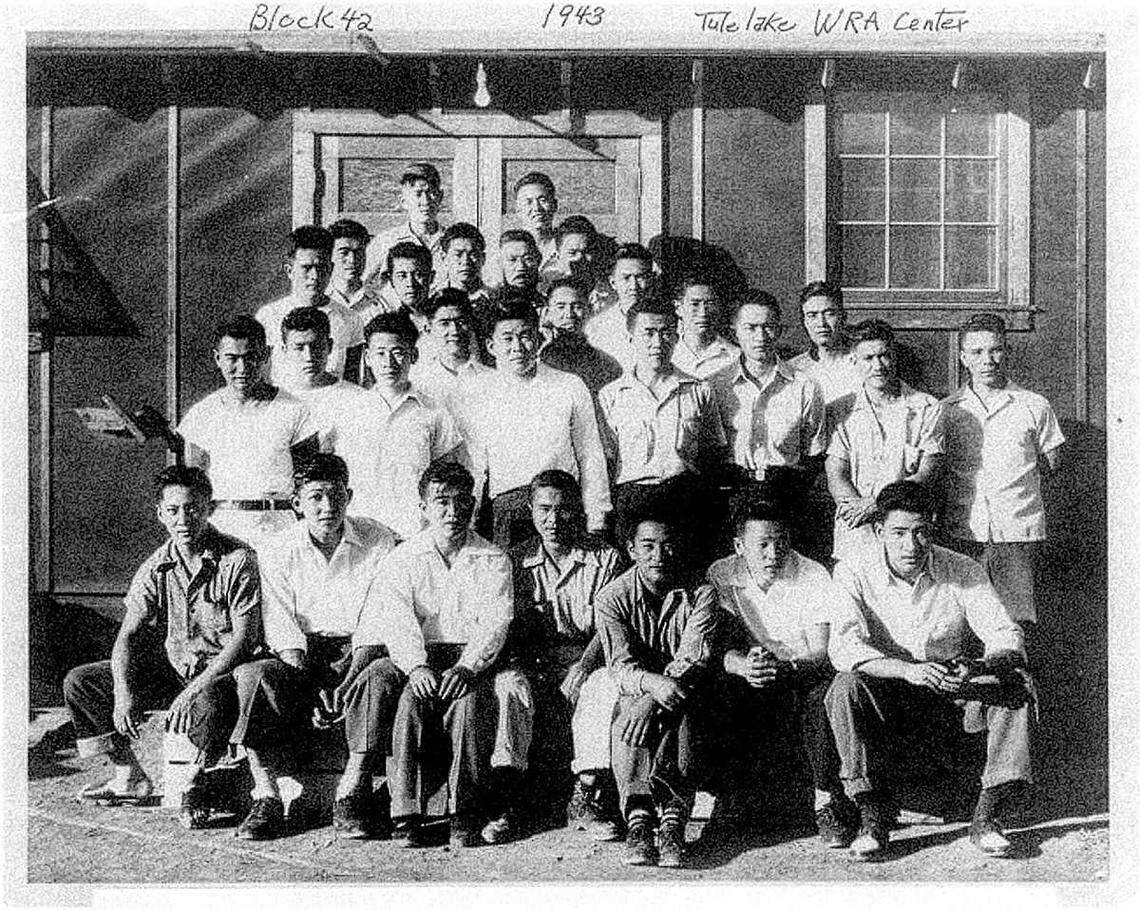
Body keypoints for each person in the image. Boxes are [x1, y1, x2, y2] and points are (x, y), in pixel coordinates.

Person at [825, 481, 1035, 860]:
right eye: (899, 533)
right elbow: (845, 647)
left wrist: (977, 666)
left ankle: (988, 816)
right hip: (890, 688)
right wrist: (906, 670)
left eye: (921, 532)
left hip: (951, 690)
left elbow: (1004, 632)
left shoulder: (962, 568)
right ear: (879, 531)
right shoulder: (854, 571)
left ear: (932, 528)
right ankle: (872, 818)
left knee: (1015, 683)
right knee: (844, 686)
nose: (912, 545)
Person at [62, 467, 261, 830]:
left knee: (210, 704)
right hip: (176, 667)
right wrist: (122, 693)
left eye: (193, 508)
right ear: (160, 513)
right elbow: (127, 637)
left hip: (223, 673)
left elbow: (244, 639)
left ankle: (198, 781)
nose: (183, 520)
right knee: (82, 682)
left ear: (210, 508)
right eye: (173, 510)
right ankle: (129, 776)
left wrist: (195, 687)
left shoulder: (238, 559)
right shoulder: (157, 565)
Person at [354, 462, 531, 847]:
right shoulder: (403, 558)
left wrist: (468, 667)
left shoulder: (492, 557)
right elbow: (397, 617)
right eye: (441, 502)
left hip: (471, 661)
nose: (453, 513)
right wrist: (416, 666)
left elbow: (496, 621)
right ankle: (405, 813)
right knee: (409, 705)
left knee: (468, 707)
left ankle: (463, 813)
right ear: (423, 508)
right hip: (421, 658)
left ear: (473, 505)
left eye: (462, 503)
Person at [230, 454, 402, 840]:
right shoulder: (276, 549)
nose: (327, 507)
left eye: (336, 495)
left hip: (361, 651)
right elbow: (281, 625)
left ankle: (351, 793)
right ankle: (267, 795)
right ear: (297, 504)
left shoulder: (379, 540)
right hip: (299, 656)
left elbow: (377, 619)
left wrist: (350, 679)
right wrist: (308, 685)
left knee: (381, 676)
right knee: (252, 676)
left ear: (349, 495)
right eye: (316, 497)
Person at [705, 491, 855, 848]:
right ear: (740, 545)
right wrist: (742, 666)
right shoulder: (721, 573)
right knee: (717, 688)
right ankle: (729, 799)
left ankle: (825, 801)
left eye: (780, 541)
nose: (774, 553)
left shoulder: (813, 574)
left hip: (803, 670)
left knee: (825, 695)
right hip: (752, 668)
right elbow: (717, 645)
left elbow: (821, 651)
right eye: (763, 544)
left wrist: (785, 667)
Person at [595, 514, 719, 869]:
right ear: (632, 550)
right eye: (648, 547)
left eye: (667, 545)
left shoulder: (701, 592)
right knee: (628, 707)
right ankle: (639, 818)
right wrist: (650, 688)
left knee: (681, 703)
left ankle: (674, 818)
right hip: (639, 688)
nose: (658, 556)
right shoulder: (610, 597)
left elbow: (692, 656)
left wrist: (655, 695)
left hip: (688, 685)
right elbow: (619, 665)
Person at [507, 470, 625, 840]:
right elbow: (512, 629)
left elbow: (610, 625)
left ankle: (587, 791)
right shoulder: (515, 559)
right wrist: (535, 667)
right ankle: (507, 795)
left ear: (579, 510)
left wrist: (583, 666)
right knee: (510, 686)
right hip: (536, 660)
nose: (554, 520)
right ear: (530, 510)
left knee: (603, 683)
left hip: (593, 655)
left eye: (564, 510)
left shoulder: (604, 557)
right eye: (544, 509)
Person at [941, 314, 1065, 646]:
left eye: (995, 350)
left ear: (1006, 351)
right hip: (963, 533)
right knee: (962, 622)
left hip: (1016, 535)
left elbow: (1052, 465)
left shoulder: (1033, 405)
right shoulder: (947, 410)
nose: (987, 360)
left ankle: (1019, 693)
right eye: (977, 352)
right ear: (964, 357)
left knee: (1016, 623)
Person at [468, 298, 612, 549]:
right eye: (507, 338)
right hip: (510, 510)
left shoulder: (569, 385)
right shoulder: (480, 393)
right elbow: (476, 466)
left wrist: (596, 516)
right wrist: (470, 522)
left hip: (562, 508)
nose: (518, 347)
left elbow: (590, 454)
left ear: (538, 338)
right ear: (491, 346)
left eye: (525, 336)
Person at [176, 316, 320, 550]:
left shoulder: (296, 411)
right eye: (232, 358)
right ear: (218, 358)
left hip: (280, 530)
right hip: (222, 528)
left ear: (265, 356)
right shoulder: (202, 415)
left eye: (251, 357)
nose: (242, 369)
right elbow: (194, 489)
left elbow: (312, 483)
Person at [598, 300, 727, 550]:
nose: (658, 342)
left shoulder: (698, 390)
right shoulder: (610, 396)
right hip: (632, 500)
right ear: (631, 338)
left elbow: (713, 454)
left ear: (677, 336)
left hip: (684, 498)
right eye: (648, 333)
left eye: (666, 332)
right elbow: (607, 461)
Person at [707, 291, 827, 557]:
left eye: (768, 327)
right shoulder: (715, 386)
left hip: (786, 494)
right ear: (734, 331)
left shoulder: (805, 386)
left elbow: (814, 454)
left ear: (779, 330)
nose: (760, 337)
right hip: (733, 494)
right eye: (750, 328)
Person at [825, 319, 945, 565]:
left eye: (884, 356)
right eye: (868, 358)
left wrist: (877, 505)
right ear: (853, 361)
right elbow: (836, 472)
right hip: (856, 531)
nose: (878, 366)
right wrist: (855, 509)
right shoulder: (841, 410)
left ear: (894, 357)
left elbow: (927, 472)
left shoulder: (926, 407)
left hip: (906, 532)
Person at [339, 310, 465, 541]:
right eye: (380, 353)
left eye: (398, 353)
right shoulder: (350, 410)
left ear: (413, 355)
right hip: (360, 534)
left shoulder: (434, 413)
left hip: (416, 534)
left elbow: (450, 478)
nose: (388, 362)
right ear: (367, 357)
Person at [256, 225, 364, 383]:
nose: (315, 276)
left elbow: (352, 382)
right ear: (289, 271)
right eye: (306, 268)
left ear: (331, 269)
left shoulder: (350, 319)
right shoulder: (269, 316)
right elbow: (259, 379)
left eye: (322, 268)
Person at [407, 288, 492, 444]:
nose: (454, 331)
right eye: (444, 323)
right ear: (428, 329)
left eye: (461, 322)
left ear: (471, 324)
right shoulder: (417, 382)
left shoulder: (491, 380)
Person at [276, 306, 365, 453]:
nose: (308, 357)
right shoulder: (273, 400)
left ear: (329, 346)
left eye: (316, 346)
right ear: (285, 350)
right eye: (299, 348)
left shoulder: (358, 398)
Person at [363, 162, 446, 286]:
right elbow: (363, 283)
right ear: (404, 202)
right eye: (418, 194)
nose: (426, 201)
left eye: (431, 193)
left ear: (440, 197)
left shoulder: (451, 242)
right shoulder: (385, 241)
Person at [538, 277, 622, 398]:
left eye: (577, 306)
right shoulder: (538, 355)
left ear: (588, 310)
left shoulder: (604, 361)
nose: (569, 314)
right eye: (561, 307)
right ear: (547, 312)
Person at [788, 281, 861, 406]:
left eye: (829, 314)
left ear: (843, 317)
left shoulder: (863, 362)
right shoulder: (793, 370)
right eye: (812, 315)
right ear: (804, 322)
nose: (821, 323)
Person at [585, 242, 656, 368]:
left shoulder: (668, 322)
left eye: (640, 277)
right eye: (626, 278)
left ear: (651, 279)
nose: (633, 286)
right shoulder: (597, 327)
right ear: (613, 282)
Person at [670, 275, 740, 380]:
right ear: (678, 308)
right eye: (695, 304)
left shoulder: (735, 356)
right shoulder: (667, 352)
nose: (703, 313)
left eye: (710, 304)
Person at [325, 218, 385, 314]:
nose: (352, 260)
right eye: (344, 253)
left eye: (359, 252)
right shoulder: (318, 300)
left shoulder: (382, 303)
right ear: (329, 256)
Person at [512, 171, 560, 273]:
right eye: (528, 202)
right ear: (518, 210)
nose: (537, 208)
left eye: (542, 200)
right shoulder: (508, 251)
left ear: (555, 205)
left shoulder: (565, 249)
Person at [438, 221, 491, 309]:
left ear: (483, 258)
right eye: (458, 254)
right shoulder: (434, 300)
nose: (466, 261)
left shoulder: (495, 300)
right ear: (444, 258)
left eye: (473, 254)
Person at [494, 229, 542, 295]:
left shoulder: (549, 303)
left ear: (538, 260)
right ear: (501, 263)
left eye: (527, 259)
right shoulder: (490, 303)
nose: (521, 267)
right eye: (512, 260)